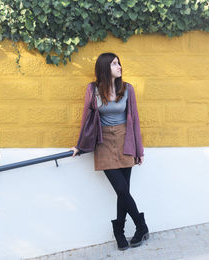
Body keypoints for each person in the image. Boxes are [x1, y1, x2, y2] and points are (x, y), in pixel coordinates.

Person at [70, 53, 149, 250]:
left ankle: (120, 232)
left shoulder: (127, 89)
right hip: (103, 142)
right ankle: (141, 226)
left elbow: (135, 120)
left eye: (119, 62)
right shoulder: (93, 89)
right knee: (121, 189)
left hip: (125, 141)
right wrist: (79, 144)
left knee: (124, 191)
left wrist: (139, 149)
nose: (119, 66)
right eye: (114, 63)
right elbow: (86, 117)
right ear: (105, 67)